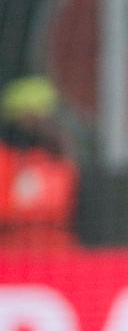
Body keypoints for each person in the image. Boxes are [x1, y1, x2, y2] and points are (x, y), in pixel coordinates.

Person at [0, 75, 79, 249]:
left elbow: (67, 207)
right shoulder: (5, 157)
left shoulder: (58, 158)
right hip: (11, 251)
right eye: (31, 118)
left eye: (44, 117)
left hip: (56, 252)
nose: (41, 125)